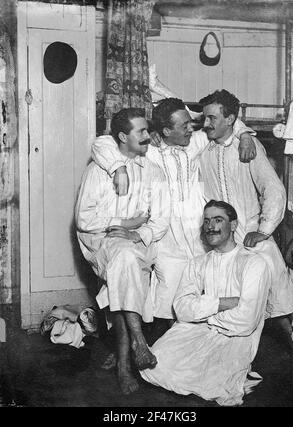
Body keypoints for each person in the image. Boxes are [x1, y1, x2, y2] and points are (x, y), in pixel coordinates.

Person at [91, 98, 256, 328]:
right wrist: (118, 168)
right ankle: (167, 345)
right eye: (184, 125)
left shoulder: (196, 142)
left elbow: (228, 124)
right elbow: (102, 144)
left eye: (191, 123)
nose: (192, 128)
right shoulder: (150, 152)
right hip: (166, 232)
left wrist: (246, 135)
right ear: (166, 131)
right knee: (169, 293)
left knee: (204, 288)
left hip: (197, 226)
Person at [75, 108, 170, 395]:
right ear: (122, 136)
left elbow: (161, 220)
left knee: (124, 268)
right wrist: (122, 223)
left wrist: (135, 232)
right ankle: (138, 343)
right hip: (99, 241)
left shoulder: (154, 171)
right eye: (141, 131)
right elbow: (84, 220)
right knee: (123, 260)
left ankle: (124, 358)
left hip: (138, 243)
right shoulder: (97, 170)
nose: (147, 136)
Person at [141, 200, 271, 407]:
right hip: (198, 330)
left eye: (218, 220)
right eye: (207, 221)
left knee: (217, 384)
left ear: (234, 225)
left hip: (235, 337)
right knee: (153, 365)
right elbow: (182, 309)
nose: (211, 226)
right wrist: (221, 303)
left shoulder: (254, 263)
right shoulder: (198, 263)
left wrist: (202, 313)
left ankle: (237, 375)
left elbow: (246, 320)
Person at [197, 89, 293, 340]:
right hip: (218, 236)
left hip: (250, 231)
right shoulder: (203, 148)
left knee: (278, 287)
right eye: (205, 118)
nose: (206, 124)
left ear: (230, 119)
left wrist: (263, 230)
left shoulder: (247, 147)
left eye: (212, 118)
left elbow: (273, 189)